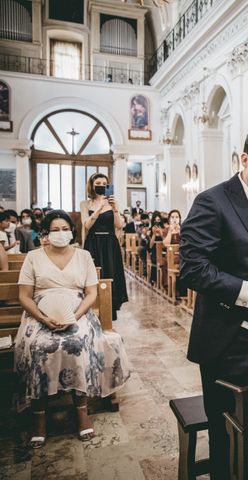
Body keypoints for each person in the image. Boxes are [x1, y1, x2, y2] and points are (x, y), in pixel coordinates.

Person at [180, 123, 248, 479]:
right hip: (224, 338)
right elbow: (192, 269)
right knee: (227, 436)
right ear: (245, 159)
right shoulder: (212, 201)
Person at [14, 210, 131, 448]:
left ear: (72, 231)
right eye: (54, 230)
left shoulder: (84, 256)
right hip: (40, 314)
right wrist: (44, 318)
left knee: (79, 343)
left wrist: (75, 317)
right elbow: (24, 296)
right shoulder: (34, 257)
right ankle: (39, 417)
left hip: (77, 313)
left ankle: (81, 410)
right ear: (45, 233)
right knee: (38, 347)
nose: (60, 233)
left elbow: (91, 293)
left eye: (64, 229)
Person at [81, 173, 128, 320]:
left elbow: (119, 225)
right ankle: (92, 309)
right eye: (98, 183)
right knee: (93, 276)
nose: (101, 185)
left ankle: (110, 311)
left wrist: (115, 208)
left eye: (104, 183)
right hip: (93, 242)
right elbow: (86, 225)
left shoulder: (113, 203)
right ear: (92, 185)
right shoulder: (85, 204)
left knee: (110, 275)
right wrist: (98, 209)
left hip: (109, 244)